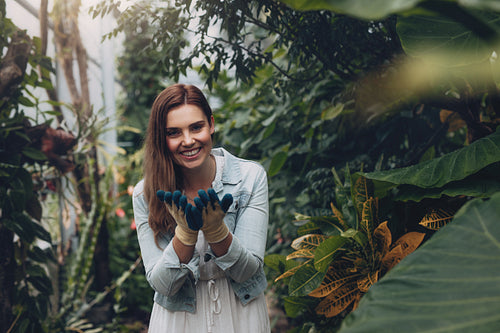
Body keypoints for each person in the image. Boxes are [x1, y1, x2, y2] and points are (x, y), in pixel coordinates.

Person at [132, 84, 270, 332]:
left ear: (211, 124)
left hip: (242, 312)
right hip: (179, 317)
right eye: (174, 132)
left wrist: (217, 232)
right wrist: (185, 234)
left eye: (196, 127)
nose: (188, 141)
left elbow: (248, 272)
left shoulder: (250, 178)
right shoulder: (146, 193)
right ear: (161, 138)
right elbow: (162, 284)